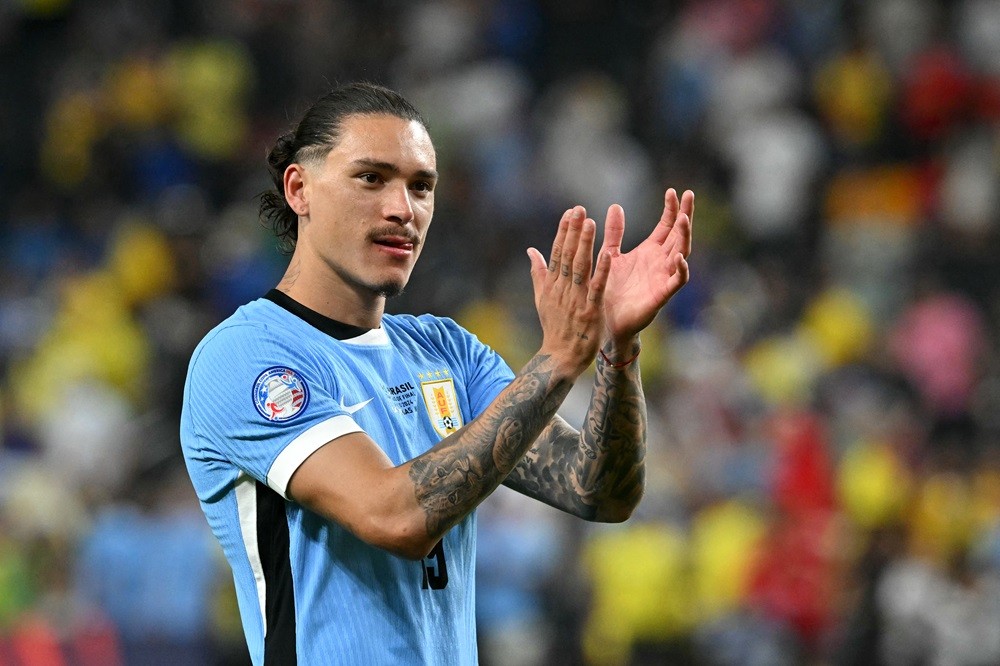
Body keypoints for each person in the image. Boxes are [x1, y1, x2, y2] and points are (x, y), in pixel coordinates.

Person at [179, 81, 693, 665]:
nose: (403, 209)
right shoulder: (246, 356)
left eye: (421, 186)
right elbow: (394, 515)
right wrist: (554, 364)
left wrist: (617, 350)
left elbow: (596, 491)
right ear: (300, 188)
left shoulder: (447, 351)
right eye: (371, 178)